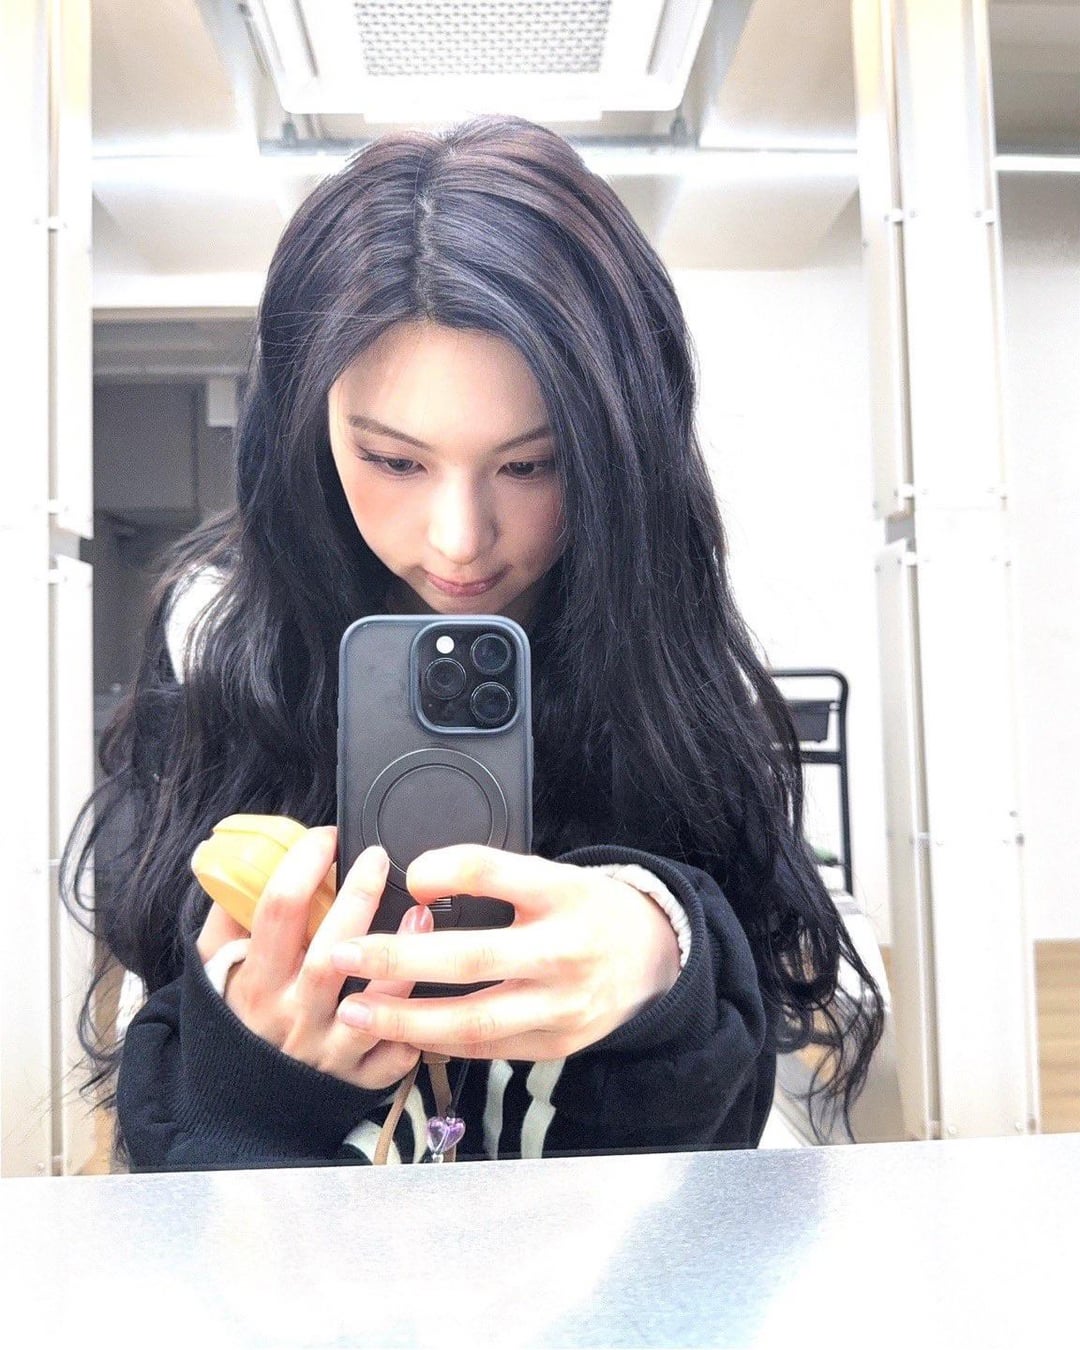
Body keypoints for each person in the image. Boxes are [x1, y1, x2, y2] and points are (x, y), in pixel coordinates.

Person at [67, 115, 883, 1169]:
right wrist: (251, 1069)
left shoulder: (659, 661)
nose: (460, 541)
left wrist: (663, 963)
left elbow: (708, 1157)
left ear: (619, 452)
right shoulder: (218, 650)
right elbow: (165, 1113)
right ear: (309, 427)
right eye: (394, 461)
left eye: (532, 466)